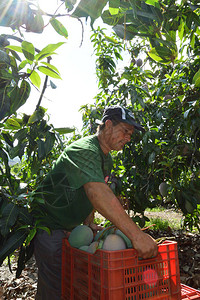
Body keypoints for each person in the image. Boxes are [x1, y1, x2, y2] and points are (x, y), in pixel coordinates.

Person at [33, 105, 158, 300]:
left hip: (67, 228)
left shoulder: (106, 159)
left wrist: (88, 223)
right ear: (108, 125)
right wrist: (137, 236)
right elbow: (97, 192)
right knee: (55, 288)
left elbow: (88, 193)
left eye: (130, 134)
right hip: (50, 228)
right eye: (125, 131)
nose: (128, 138)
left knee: (70, 285)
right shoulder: (84, 149)